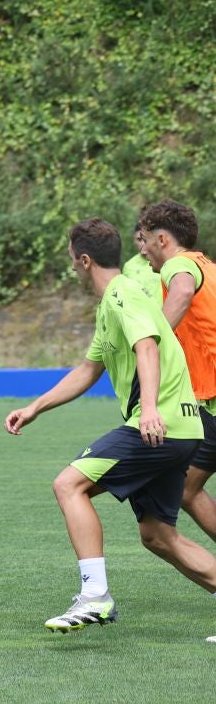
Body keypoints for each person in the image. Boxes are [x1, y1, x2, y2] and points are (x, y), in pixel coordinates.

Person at [5, 217, 213, 634]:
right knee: (157, 535)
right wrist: (36, 407)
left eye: (71, 261)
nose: (71, 268)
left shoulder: (123, 295)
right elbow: (88, 368)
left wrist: (150, 407)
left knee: (69, 484)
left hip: (160, 424)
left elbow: (147, 347)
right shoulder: (113, 304)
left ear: (84, 260)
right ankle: (96, 596)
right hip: (181, 429)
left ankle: (95, 596)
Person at [137, 199, 216, 563]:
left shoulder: (180, 266)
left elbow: (182, 290)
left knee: (185, 489)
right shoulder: (208, 267)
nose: (144, 248)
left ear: (164, 239)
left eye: (146, 239)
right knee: (187, 489)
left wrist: (154, 344)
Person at [124, 219, 163, 299]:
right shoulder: (129, 266)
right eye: (139, 239)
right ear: (133, 240)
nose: (143, 243)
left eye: (145, 239)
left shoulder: (163, 261)